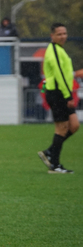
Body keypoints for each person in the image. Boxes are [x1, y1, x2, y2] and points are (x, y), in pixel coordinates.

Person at [38, 23, 83, 174]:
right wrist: (68, 95)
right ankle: (55, 165)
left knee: (74, 125)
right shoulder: (54, 51)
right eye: (59, 34)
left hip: (61, 92)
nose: (63, 36)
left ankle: (50, 151)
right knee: (62, 128)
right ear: (52, 36)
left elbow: (66, 73)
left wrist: (76, 74)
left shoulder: (60, 50)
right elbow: (59, 76)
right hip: (58, 93)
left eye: (64, 33)